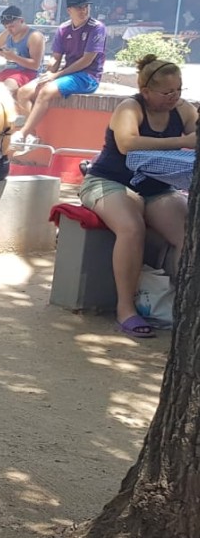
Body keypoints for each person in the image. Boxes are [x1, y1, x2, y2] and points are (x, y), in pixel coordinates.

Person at [79, 55, 194, 339]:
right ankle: (125, 309)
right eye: (167, 92)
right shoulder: (129, 107)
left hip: (156, 187)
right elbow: (127, 143)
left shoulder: (184, 110)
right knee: (131, 229)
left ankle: (182, 304)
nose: (174, 97)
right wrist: (181, 142)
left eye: (178, 90)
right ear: (146, 92)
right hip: (108, 181)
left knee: (189, 233)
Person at [16, 0, 106, 142]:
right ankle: (33, 135)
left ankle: (22, 135)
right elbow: (55, 57)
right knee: (23, 92)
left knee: (46, 91)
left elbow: (87, 60)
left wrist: (56, 75)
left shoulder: (97, 27)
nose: (83, 11)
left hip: (88, 76)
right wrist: (48, 73)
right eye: (79, 8)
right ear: (69, 10)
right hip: (68, 73)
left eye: (85, 7)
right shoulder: (63, 28)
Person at [0, 5, 45, 94]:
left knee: (7, 88)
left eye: (12, 26)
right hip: (9, 71)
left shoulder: (34, 36)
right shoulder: (7, 33)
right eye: (6, 27)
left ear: (21, 21)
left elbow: (35, 65)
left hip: (29, 74)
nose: (9, 30)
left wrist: (13, 57)